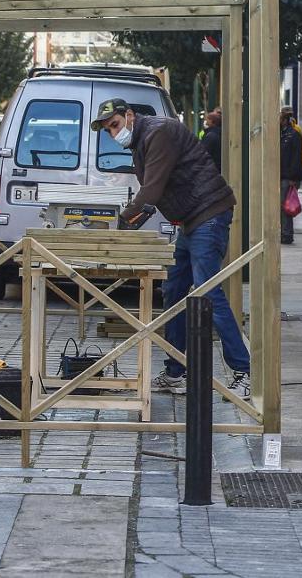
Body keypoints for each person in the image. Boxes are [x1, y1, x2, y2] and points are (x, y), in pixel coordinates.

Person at [91, 97, 251, 399]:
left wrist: (122, 227)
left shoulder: (158, 132)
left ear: (129, 115)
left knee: (207, 290)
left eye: (115, 125)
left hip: (208, 214)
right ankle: (177, 372)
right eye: (108, 130)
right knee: (174, 290)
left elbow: (151, 191)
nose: (114, 134)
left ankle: (245, 372)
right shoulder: (141, 141)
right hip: (191, 221)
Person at [280, 106, 302, 244]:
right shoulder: (282, 134)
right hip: (282, 175)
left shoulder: (294, 134)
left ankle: (287, 234)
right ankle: (284, 232)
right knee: (282, 206)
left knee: (286, 206)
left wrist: (293, 178)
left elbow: (296, 157)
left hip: (288, 177)